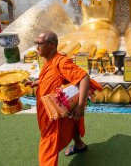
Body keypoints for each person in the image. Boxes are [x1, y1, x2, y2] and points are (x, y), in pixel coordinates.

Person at [25, 31, 102, 166]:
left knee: (48, 142)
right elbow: (54, 77)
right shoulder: (48, 59)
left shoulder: (61, 61)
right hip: (57, 105)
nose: (36, 47)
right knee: (70, 123)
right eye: (35, 43)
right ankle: (79, 145)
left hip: (52, 113)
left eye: (39, 44)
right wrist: (37, 82)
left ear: (52, 45)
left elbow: (84, 77)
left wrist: (80, 106)